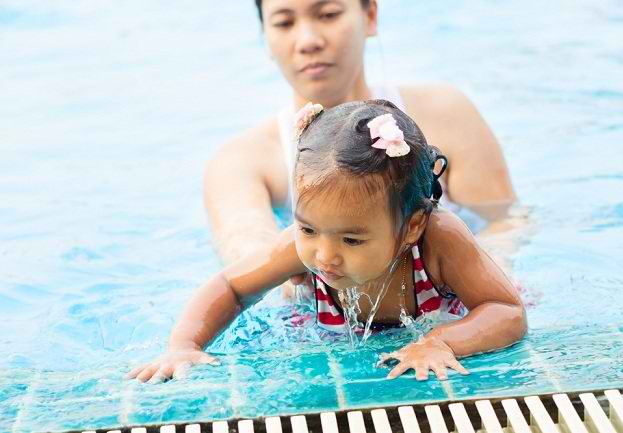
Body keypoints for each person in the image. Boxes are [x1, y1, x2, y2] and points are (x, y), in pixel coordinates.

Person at [127, 100, 527, 384]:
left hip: (439, 313)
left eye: (352, 239)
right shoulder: (302, 247)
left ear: (411, 227)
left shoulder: (440, 239)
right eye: (307, 229)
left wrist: (441, 341)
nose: (324, 255)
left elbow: (507, 310)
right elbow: (230, 287)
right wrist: (183, 344)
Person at [204, 0, 517, 284]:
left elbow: (503, 221)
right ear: (266, 37)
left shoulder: (446, 113)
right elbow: (247, 248)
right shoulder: (241, 162)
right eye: (284, 23)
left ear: (370, 16)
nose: (308, 41)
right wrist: (289, 275)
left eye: (328, 14)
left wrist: (487, 278)